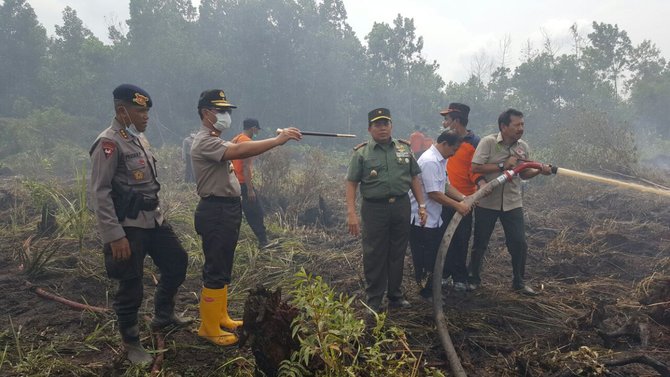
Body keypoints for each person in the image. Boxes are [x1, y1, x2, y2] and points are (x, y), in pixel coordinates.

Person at [190, 89, 302, 346]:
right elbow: (241, 151)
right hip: (215, 210)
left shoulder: (216, 138)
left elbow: (238, 146)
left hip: (227, 209)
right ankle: (208, 327)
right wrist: (277, 141)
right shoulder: (205, 141)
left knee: (224, 265)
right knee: (215, 269)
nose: (226, 115)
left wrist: (276, 137)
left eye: (227, 111)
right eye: (221, 111)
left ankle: (221, 316)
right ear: (206, 113)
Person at [89, 84, 190, 365]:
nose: (146, 116)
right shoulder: (108, 143)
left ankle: (164, 314)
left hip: (153, 219)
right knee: (131, 285)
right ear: (122, 111)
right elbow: (100, 192)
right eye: (140, 111)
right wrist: (114, 236)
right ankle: (132, 343)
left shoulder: (139, 139)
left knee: (177, 262)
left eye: (147, 111)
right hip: (128, 226)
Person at [346, 107, 427, 312]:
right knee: (374, 253)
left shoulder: (403, 149)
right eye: (377, 125)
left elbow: (414, 178)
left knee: (398, 252)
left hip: (401, 206)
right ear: (369, 128)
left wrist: (422, 205)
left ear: (391, 125)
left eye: (386, 124)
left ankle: (395, 295)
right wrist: (351, 213)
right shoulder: (362, 153)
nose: (382, 128)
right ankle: (373, 299)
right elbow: (351, 183)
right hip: (374, 209)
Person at [468, 108, 552, 295]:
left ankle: (519, 281)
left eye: (522, 124)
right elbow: (475, 167)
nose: (521, 128)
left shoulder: (523, 147)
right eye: (517, 125)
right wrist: (501, 166)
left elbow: (524, 173)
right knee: (480, 242)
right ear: (504, 126)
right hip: (488, 202)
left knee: (519, 242)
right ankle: (473, 279)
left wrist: (539, 170)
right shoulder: (488, 143)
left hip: (513, 202)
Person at [408, 130, 471, 301]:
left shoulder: (441, 160)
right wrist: (458, 206)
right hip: (422, 219)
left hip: (433, 218)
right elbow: (434, 193)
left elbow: (445, 186)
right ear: (444, 144)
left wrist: (464, 198)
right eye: (454, 149)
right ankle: (425, 293)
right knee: (425, 258)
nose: (455, 153)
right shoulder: (429, 161)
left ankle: (430, 290)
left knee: (434, 255)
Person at [440, 102, 482, 291]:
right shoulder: (445, 141)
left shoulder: (475, 143)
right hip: (443, 197)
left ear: (456, 121)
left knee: (461, 238)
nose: (444, 123)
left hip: (465, 199)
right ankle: (444, 273)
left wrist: (479, 186)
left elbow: (476, 170)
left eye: (447, 119)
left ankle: (459, 276)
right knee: (442, 237)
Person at [231, 118, 268, 247]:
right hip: (243, 183)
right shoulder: (247, 142)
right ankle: (263, 241)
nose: (257, 131)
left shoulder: (236, 139)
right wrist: (250, 189)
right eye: (257, 129)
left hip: (234, 182)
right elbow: (246, 167)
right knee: (255, 211)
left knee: (236, 212)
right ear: (253, 128)